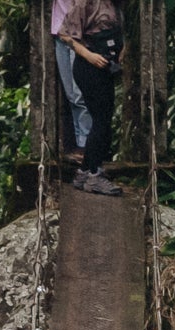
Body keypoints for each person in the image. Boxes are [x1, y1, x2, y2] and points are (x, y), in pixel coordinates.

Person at [59, 0, 124, 195]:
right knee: (101, 121)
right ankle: (94, 176)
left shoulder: (115, 5)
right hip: (88, 67)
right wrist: (89, 56)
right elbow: (65, 35)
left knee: (104, 118)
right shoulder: (84, 3)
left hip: (106, 66)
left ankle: (83, 172)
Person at [51, 0, 92, 161]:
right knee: (71, 94)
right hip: (59, 33)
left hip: (78, 35)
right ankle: (79, 142)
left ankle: (85, 144)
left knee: (79, 92)